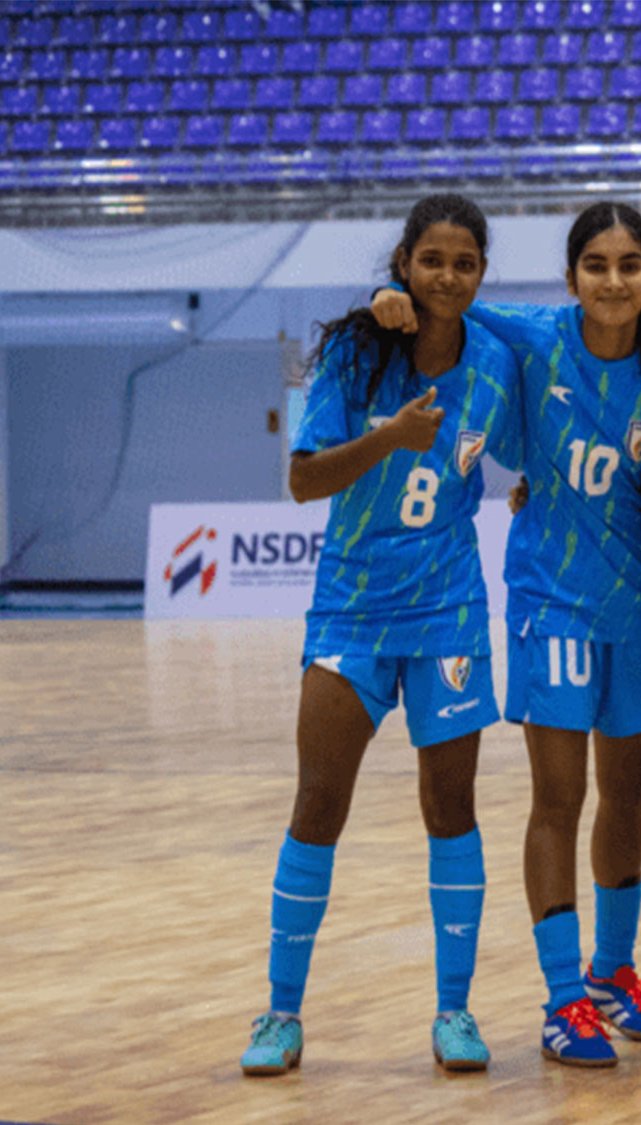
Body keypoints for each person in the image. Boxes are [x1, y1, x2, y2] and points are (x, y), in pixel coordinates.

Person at [372, 202, 641, 1068]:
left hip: (639, 610)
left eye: (629, 265)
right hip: (551, 605)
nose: (613, 281)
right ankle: (564, 999)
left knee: (626, 801)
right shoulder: (533, 336)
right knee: (557, 803)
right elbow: (442, 298)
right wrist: (389, 294)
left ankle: (612, 973)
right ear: (571, 279)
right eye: (595, 266)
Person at [239, 194, 520, 1077]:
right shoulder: (354, 354)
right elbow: (301, 482)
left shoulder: (498, 364)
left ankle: (455, 1012)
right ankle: (280, 1015)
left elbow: (535, 446)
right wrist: (392, 439)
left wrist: (533, 491)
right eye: (431, 259)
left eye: (464, 262)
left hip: (449, 614)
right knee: (318, 805)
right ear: (404, 263)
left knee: (452, 809)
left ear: (481, 274)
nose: (447, 276)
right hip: (351, 613)